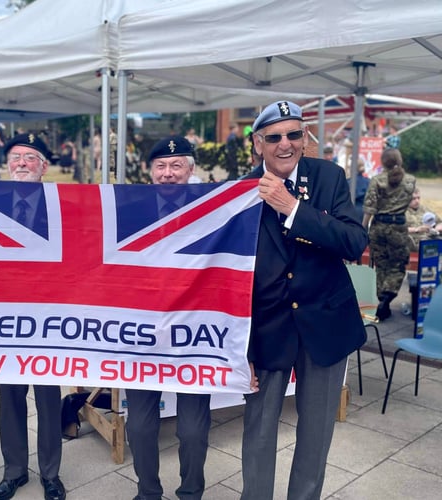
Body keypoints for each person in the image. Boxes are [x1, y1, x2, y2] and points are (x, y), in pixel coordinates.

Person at [242, 100, 368, 500]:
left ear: (305, 139)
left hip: (326, 324)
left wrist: (293, 208)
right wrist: (236, 342)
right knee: (259, 433)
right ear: (258, 143)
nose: (286, 145)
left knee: (316, 434)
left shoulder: (328, 177)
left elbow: (354, 241)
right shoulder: (239, 191)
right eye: (274, 137)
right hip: (266, 329)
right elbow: (231, 273)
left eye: (294, 134)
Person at [124, 135, 215, 500]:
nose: (167, 173)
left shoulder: (213, 212)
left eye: (176, 166)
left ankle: (191, 492)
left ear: (190, 171)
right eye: (160, 166)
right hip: (142, 334)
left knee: (193, 429)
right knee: (140, 427)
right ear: (150, 173)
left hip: (193, 334)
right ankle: (148, 492)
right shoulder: (131, 213)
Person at [0, 133, 66, 500]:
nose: (21, 163)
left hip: (49, 319)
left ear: (44, 166)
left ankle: (51, 473)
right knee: (11, 396)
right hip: (6, 319)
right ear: (7, 165)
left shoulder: (63, 204)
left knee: (49, 399)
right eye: (16, 157)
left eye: (30, 158)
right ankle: (14, 471)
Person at [362, 148, 416, 320]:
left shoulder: (377, 180)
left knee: (381, 264)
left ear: (383, 162)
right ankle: (388, 295)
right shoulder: (410, 181)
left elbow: (369, 207)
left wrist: (364, 227)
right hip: (398, 227)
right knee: (397, 265)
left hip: (379, 226)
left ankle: (380, 301)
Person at [406, 188, 442, 252]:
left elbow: (439, 222)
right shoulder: (401, 212)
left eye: (418, 198)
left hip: (431, 237)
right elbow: (397, 229)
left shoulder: (425, 209)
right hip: (414, 242)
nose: (417, 201)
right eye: (413, 199)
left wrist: (436, 229)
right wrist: (416, 229)